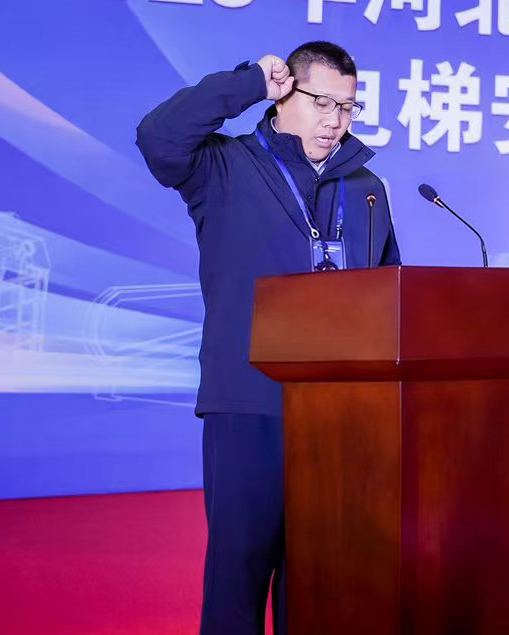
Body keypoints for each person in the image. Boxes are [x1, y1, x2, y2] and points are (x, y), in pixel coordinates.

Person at [136, 41, 401, 635]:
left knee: (320, 580)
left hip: (340, 412)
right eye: (321, 102)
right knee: (239, 573)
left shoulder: (367, 188)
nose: (335, 120)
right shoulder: (224, 167)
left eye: (347, 107)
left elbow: (389, 293)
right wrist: (249, 81)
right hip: (248, 400)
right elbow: (158, 137)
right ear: (284, 96)